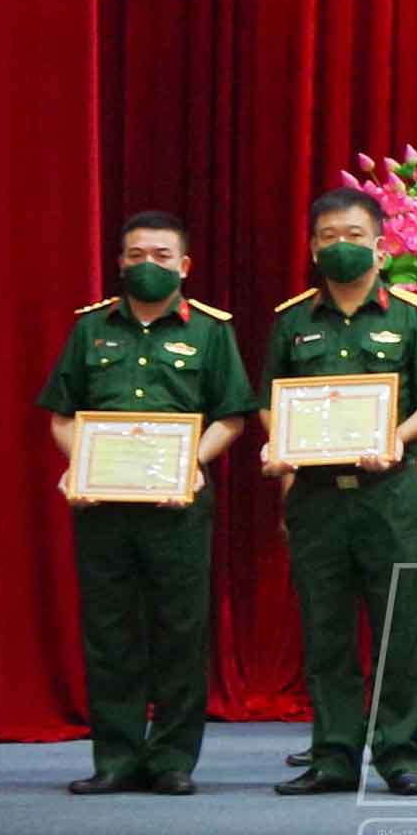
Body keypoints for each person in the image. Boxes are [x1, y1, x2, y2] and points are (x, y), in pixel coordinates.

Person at [40, 212, 253, 797]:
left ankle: (172, 760)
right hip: (103, 507)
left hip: (177, 507)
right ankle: (115, 757)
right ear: (120, 262)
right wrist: (79, 463)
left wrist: (190, 463)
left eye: (161, 255)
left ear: (184, 266)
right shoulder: (90, 329)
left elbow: (231, 418)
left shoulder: (210, 331)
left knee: (181, 631)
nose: (147, 265)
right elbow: (62, 417)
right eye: (136, 255)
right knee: (110, 632)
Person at [260, 189, 417, 796]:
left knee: (400, 628)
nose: (339, 246)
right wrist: (281, 445)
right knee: (326, 630)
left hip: (389, 494)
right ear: (312, 247)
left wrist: (396, 437)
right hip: (317, 496)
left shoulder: (413, 316)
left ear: (380, 246)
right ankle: (334, 756)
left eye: (353, 236)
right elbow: (271, 402)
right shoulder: (293, 321)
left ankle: (401, 755)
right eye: (328, 237)